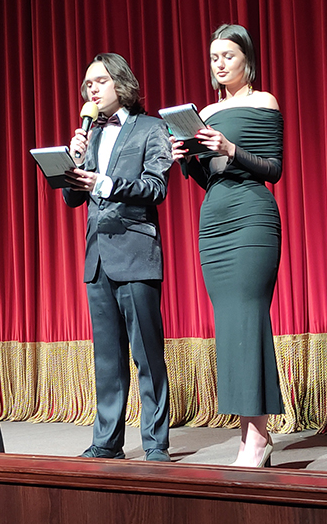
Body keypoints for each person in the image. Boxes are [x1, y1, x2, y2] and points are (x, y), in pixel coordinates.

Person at [171, 24, 284, 467]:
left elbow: (272, 169)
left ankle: (254, 440)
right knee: (229, 326)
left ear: (246, 60)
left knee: (249, 318)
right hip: (214, 219)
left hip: (251, 216)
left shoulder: (264, 102)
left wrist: (230, 147)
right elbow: (211, 179)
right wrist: (187, 161)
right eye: (214, 57)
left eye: (228, 56)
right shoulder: (207, 112)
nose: (219, 64)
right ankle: (254, 437)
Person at [63, 53, 173, 462]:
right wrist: (74, 160)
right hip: (97, 258)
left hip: (136, 253)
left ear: (121, 84)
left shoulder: (151, 128)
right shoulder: (90, 135)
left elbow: (156, 188)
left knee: (147, 355)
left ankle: (155, 443)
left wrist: (106, 182)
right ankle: (107, 441)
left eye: (100, 81)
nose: (91, 89)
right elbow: (72, 198)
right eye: (88, 83)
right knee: (107, 359)